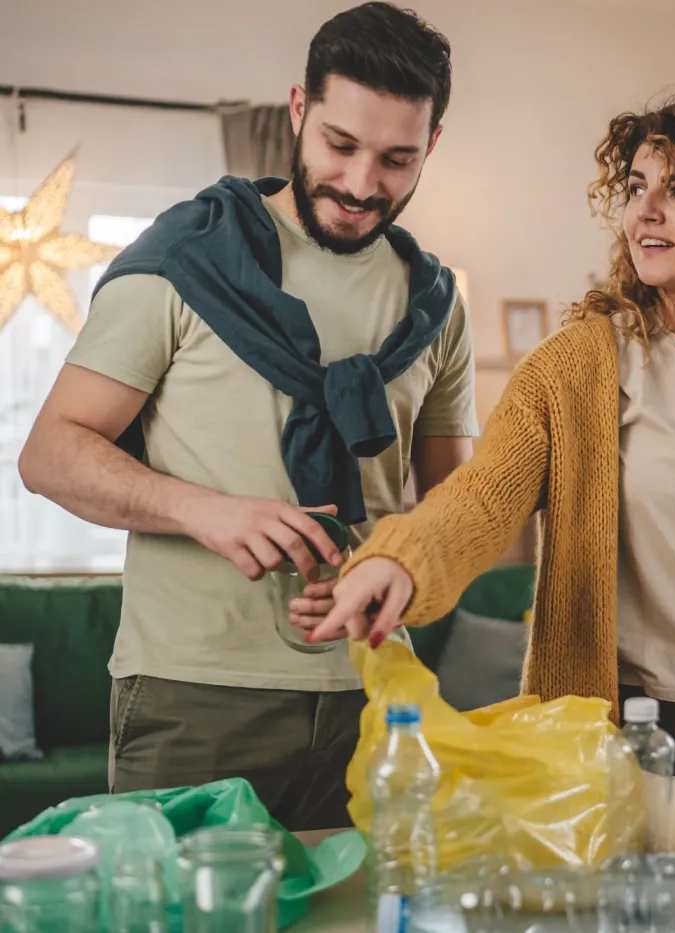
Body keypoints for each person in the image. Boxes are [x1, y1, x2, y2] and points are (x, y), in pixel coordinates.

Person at [310, 91, 675, 752]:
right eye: (637, 187)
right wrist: (401, 560)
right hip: (623, 731)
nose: (645, 210)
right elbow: (481, 499)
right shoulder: (578, 368)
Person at [18, 2, 476, 830]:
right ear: (298, 109)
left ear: (432, 145)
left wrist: (400, 575)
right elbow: (49, 454)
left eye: (397, 159)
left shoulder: (437, 307)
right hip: (193, 695)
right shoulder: (183, 259)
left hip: (376, 697)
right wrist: (202, 509)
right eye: (340, 144)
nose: (361, 184)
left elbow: (458, 511)